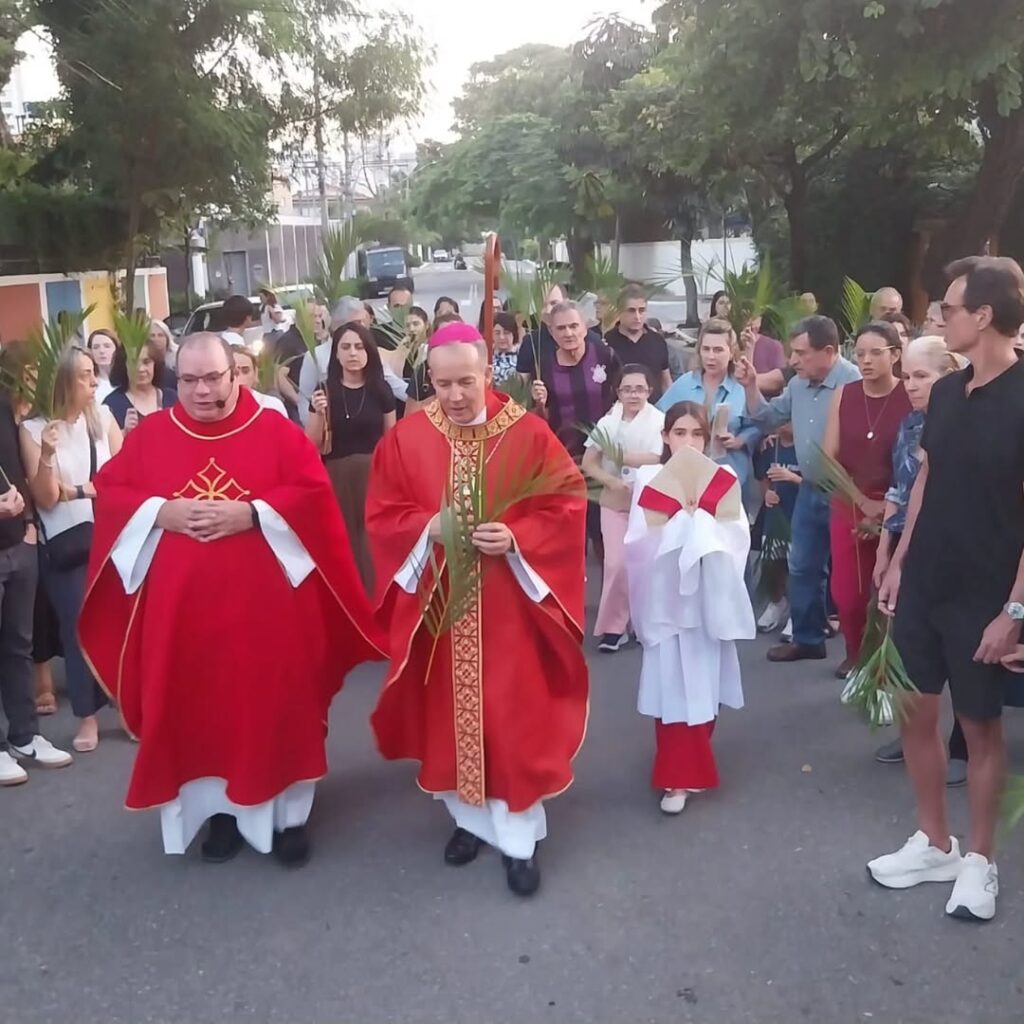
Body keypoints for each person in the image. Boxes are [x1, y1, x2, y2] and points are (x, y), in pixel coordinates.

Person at [78, 332, 386, 864]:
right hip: (184, 617)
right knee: (200, 710)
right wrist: (160, 511)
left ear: (234, 374)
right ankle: (220, 814)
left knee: (277, 707)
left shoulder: (275, 430)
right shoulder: (153, 436)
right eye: (189, 380)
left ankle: (289, 819)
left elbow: (313, 495)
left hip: (267, 614)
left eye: (212, 378)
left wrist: (253, 513)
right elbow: (112, 491)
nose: (201, 390)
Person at [365, 321, 588, 897]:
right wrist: (428, 527)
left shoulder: (528, 434)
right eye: (443, 385)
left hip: (508, 609)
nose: (456, 396)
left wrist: (516, 537)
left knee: (510, 718)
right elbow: (384, 514)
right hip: (440, 610)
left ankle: (518, 840)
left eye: (466, 381)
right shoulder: (408, 439)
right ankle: (468, 821)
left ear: (488, 372)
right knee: (449, 715)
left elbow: (566, 503)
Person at [872, 256, 1024, 922]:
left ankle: (981, 861)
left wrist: (1015, 609)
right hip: (926, 579)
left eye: (950, 309)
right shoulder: (946, 394)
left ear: (984, 316)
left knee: (980, 729)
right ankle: (935, 842)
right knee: (913, 711)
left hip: (987, 591)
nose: (939, 319)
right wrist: (900, 559)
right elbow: (928, 479)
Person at [624, 401, 755, 815]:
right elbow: (638, 542)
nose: (688, 442)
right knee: (672, 687)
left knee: (702, 683)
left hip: (705, 599)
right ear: (665, 437)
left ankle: (691, 759)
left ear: (707, 437)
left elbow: (738, 537)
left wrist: (703, 526)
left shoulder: (724, 477)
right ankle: (677, 775)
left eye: (696, 434)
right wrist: (682, 523)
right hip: (666, 601)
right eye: (679, 433)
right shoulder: (649, 478)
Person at [736, 315, 861, 663]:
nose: (793, 361)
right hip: (809, 488)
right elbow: (767, 418)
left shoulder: (854, 382)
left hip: (847, 492)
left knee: (851, 575)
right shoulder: (798, 385)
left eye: (801, 353)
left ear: (829, 352)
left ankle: (857, 652)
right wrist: (751, 386)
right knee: (803, 565)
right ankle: (808, 639)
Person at [870, 336, 967, 782]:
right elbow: (899, 489)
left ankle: (963, 744)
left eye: (921, 376)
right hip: (908, 543)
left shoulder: (965, 424)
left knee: (960, 652)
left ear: (947, 376)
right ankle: (915, 730)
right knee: (912, 647)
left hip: (954, 548)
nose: (910, 385)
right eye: (906, 376)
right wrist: (885, 552)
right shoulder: (909, 424)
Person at [20, 346, 123, 753]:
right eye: (83, 374)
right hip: (66, 545)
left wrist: (74, 490)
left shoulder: (104, 418)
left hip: (112, 536)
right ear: (63, 379)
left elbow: (122, 476)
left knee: (120, 624)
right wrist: (49, 457)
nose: (94, 380)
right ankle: (87, 717)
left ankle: (127, 708)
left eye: (93, 372)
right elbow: (46, 497)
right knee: (78, 628)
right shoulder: (34, 430)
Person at [820, 321, 910, 677]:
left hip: (899, 505)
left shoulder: (910, 394)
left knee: (892, 591)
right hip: (850, 500)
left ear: (895, 355)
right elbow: (828, 458)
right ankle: (856, 654)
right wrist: (861, 502)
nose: (866, 360)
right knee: (848, 594)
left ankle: (887, 665)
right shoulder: (844, 394)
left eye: (876, 353)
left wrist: (887, 508)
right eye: (859, 354)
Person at [0, 369, 73, 785]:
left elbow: (15, 468)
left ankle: (24, 736)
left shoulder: (3, 404)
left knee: (18, 647)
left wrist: (27, 521)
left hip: (17, 542)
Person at [306, 323, 396, 595]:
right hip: (337, 476)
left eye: (359, 347)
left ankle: (376, 599)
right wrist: (319, 413)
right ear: (336, 353)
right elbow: (312, 444)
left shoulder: (381, 390)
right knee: (342, 541)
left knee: (372, 541)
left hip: (374, 475)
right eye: (345, 347)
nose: (352, 353)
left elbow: (390, 441)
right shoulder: (324, 392)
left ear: (369, 352)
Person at [582, 365, 665, 652]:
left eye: (639, 389)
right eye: (627, 389)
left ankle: (642, 622)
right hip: (614, 501)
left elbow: (660, 456)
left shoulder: (659, 421)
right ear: (618, 392)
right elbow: (589, 462)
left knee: (645, 565)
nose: (633, 395)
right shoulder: (607, 422)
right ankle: (613, 627)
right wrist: (610, 481)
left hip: (647, 503)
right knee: (616, 565)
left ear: (649, 391)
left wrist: (621, 456)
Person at [657, 318, 761, 512]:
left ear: (731, 352)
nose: (711, 356)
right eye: (706, 349)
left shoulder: (743, 387)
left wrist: (740, 440)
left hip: (729, 476)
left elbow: (759, 422)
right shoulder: (685, 383)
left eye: (718, 350)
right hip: (687, 479)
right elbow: (658, 417)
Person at [299, 297, 407, 426]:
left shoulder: (369, 353)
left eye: (364, 322)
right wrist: (314, 427)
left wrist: (420, 397)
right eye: (357, 322)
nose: (363, 327)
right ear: (338, 324)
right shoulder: (315, 356)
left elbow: (394, 384)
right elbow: (305, 398)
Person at [603, 284, 672, 398]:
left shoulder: (657, 341)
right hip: (619, 407)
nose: (637, 317)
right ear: (619, 312)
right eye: (631, 310)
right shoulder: (607, 343)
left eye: (641, 310)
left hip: (654, 407)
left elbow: (666, 381)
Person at [103, 340, 177, 432]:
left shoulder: (172, 398)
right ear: (123, 365)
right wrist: (124, 432)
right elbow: (103, 440)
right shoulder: (112, 404)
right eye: (133, 362)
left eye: (146, 362)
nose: (141, 369)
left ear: (156, 364)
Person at [275, 301, 329, 421]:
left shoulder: (317, 339)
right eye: (312, 316)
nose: (318, 320)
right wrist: (299, 402)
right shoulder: (288, 342)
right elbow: (279, 376)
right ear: (299, 318)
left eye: (319, 316)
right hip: (300, 408)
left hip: (319, 404)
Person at [231, 345, 288, 416]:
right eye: (234, 372)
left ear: (255, 373)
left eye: (245, 371)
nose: (240, 378)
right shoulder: (218, 410)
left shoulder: (273, 405)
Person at [87, 329, 119, 403]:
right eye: (96, 347)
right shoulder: (89, 383)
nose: (101, 351)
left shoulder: (127, 380)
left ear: (117, 349)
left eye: (107, 346)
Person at [490, 311, 520, 387]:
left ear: (514, 334)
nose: (502, 337)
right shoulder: (487, 354)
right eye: (497, 333)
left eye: (506, 333)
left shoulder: (522, 354)